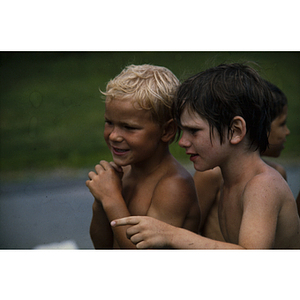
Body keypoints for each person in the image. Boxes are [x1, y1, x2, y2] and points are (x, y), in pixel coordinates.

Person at [111, 63, 300, 249]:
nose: (183, 141)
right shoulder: (231, 181)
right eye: (183, 130)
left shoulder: (262, 185)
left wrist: (171, 234)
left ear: (235, 131)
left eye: (193, 131)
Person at [86, 64, 200, 249]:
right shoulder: (125, 172)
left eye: (129, 127)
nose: (114, 135)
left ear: (167, 130)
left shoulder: (173, 186)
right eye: (109, 122)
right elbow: (102, 246)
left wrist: (111, 199)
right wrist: (100, 204)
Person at [193, 80, 291, 242]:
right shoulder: (212, 174)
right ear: (261, 125)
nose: (287, 131)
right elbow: (191, 228)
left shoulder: (275, 176)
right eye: (281, 124)